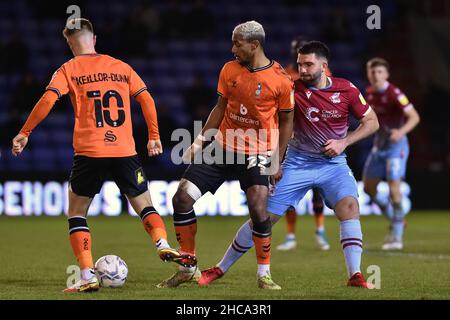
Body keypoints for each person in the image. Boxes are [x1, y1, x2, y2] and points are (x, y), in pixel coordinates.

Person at [11, 18, 187, 293]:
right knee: (144, 204)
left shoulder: (68, 68)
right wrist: (153, 136)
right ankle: (162, 244)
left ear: (70, 44)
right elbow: (147, 99)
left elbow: (48, 100)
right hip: (124, 150)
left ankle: (86, 275)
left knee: (77, 213)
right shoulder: (121, 67)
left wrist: (25, 132)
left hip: (90, 151)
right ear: (94, 40)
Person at [199, 41, 379, 289]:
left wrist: (344, 142)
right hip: (296, 162)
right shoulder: (291, 88)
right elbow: (269, 117)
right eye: (299, 64)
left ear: (324, 66)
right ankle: (220, 268)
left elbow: (372, 121)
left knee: (349, 206)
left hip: (333, 164)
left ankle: (355, 275)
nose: (302, 69)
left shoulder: (346, 89)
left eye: (308, 64)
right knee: (263, 218)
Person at [157, 21, 294, 290]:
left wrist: (278, 158)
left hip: (258, 150)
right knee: (182, 198)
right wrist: (198, 142)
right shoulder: (229, 69)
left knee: (258, 209)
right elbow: (219, 108)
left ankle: (263, 274)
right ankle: (188, 267)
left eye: (237, 43)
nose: (233, 48)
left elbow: (287, 121)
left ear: (254, 45)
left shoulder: (280, 80)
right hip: (222, 147)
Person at [277, 36, 331, 252]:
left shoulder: (322, 74)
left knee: (318, 191)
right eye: (294, 50)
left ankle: (320, 231)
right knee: (288, 191)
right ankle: (290, 235)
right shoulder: (285, 75)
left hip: (318, 140)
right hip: (294, 139)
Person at [363, 57, 420, 250]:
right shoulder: (369, 93)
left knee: (395, 191)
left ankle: (396, 237)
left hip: (397, 147)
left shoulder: (395, 93)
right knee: (368, 189)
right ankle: (395, 216)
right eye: (372, 72)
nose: (375, 75)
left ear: (386, 74)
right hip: (379, 146)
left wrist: (400, 132)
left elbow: (414, 117)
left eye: (379, 72)